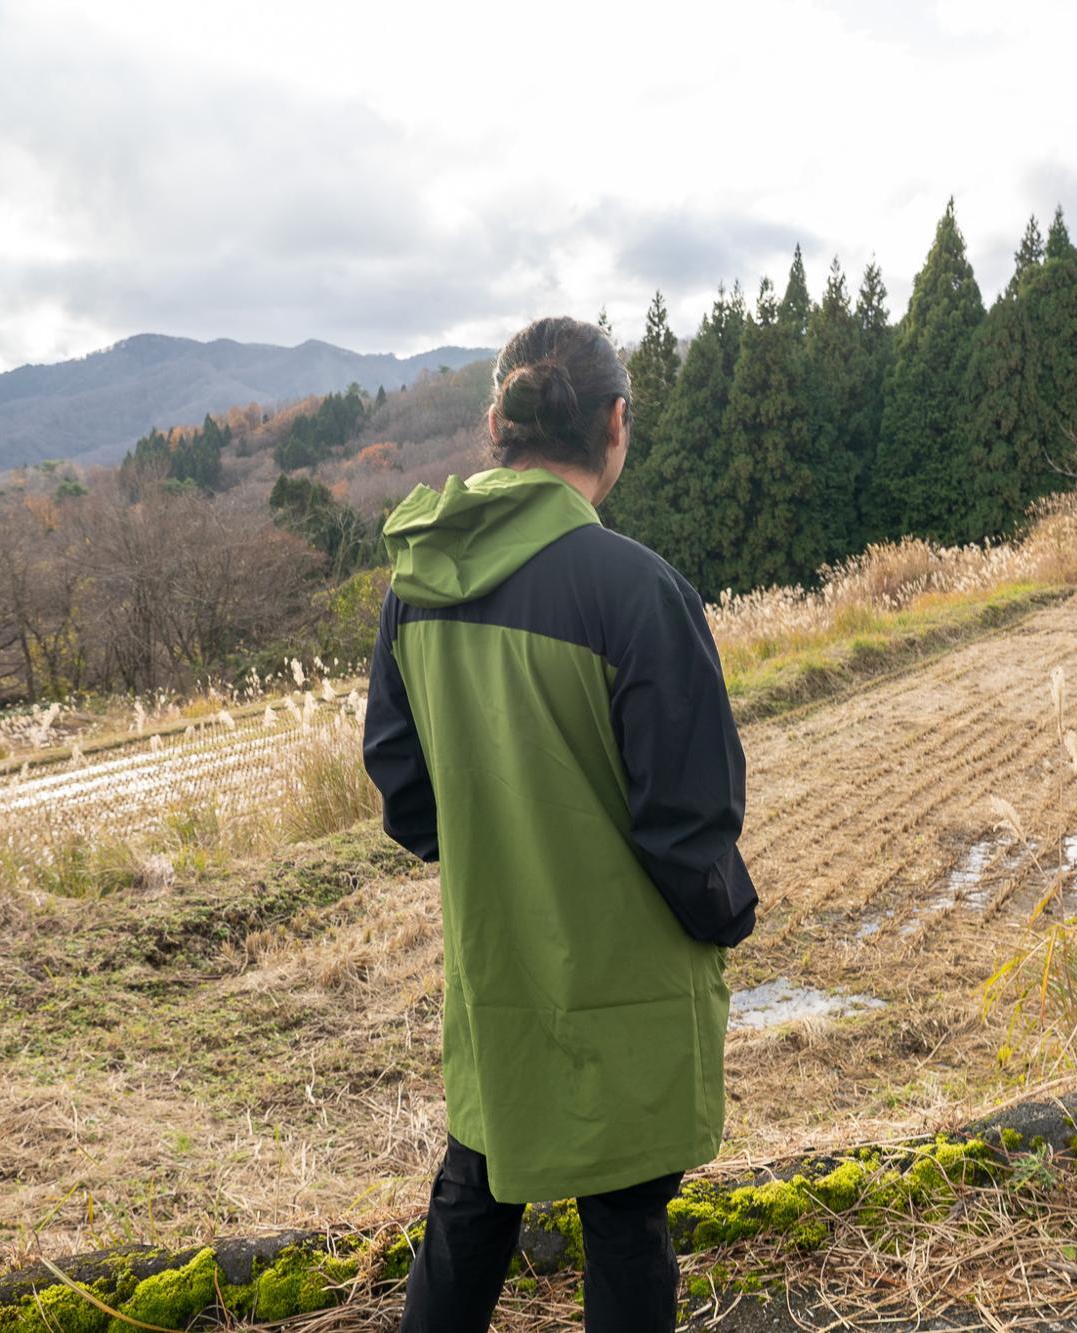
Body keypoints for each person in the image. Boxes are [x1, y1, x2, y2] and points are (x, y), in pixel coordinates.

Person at [363, 315, 758, 1331]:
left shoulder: (415, 590)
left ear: (497, 421)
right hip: (624, 984)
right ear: (615, 425)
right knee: (625, 1226)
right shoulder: (634, 592)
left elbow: (406, 792)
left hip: (496, 969)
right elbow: (691, 825)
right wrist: (725, 916)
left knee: (474, 1196)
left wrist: (503, 851)